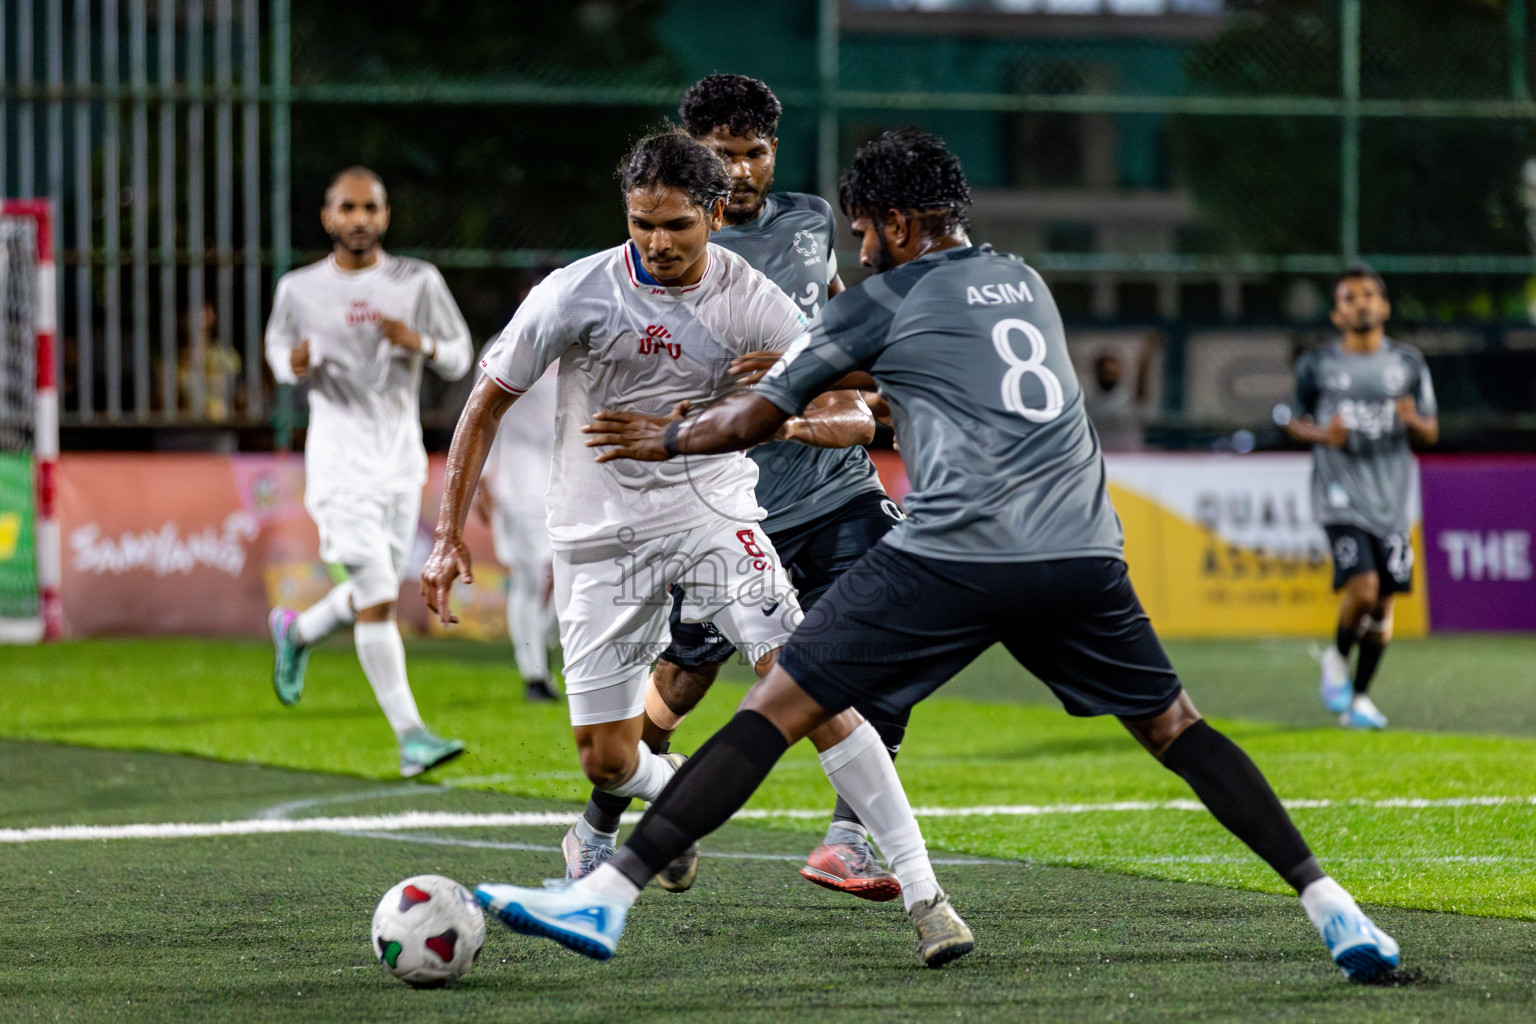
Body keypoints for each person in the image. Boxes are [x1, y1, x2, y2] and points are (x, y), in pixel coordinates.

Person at [474, 129, 1402, 984]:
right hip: (1083, 551)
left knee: (779, 703)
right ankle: (1338, 910)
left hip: (957, 552)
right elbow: (921, 379)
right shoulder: (1024, 280)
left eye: (869, 232)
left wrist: (666, 439)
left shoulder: (886, 294)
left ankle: (606, 897)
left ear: (904, 225)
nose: (862, 252)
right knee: (1177, 730)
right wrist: (849, 382)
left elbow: (760, 417)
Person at [420, 130, 971, 965]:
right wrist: (447, 536)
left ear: (713, 215)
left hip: (712, 514)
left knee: (808, 685)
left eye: (675, 224)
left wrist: (789, 407)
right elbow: (485, 404)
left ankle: (927, 895)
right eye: (641, 223)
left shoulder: (752, 297)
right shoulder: (574, 294)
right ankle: (672, 795)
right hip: (597, 535)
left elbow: (850, 399)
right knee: (608, 760)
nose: (656, 242)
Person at [563, 72, 909, 902]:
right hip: (729, 502)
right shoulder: (669, 250)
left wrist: (826, 360)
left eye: (755, 153)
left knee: (891, 636)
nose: (743, 172)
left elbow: (828, 316)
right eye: (724, 156)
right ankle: (601, 820)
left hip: (834, 485)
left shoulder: (809, 221)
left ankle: (847, 839)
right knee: (681, 681)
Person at [265, 166, 471, 778]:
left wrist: (422, 344)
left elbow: (461, 353)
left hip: (398, 465)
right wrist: (291, 364)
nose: (359, 219)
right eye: (347, 208)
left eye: (370, 209)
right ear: (328, 217)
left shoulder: (417, 282)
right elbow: (277, 351)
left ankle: (298, 632)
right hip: (336, 466)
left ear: (385, 217)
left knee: (370, 588)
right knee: (379, 594)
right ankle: (412, 738)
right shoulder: (299, 289)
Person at [1281, 268, 1438, 730]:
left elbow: (1431, 430)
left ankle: (1361, 699)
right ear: (1336, 313)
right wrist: (1321, 434)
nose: (1362, 303)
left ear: (1385, 307)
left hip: (1391, 499)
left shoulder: (1408, 364)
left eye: (1369, 295)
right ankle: (1336, 658)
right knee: (1364, 587)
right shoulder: (1319, 365)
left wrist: (1414, 421)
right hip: (1340, 493)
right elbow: (1289, 418)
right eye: (1350, 298)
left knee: (1384, 605)